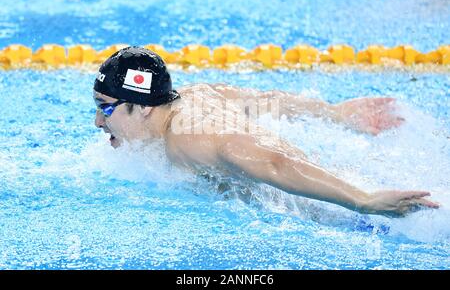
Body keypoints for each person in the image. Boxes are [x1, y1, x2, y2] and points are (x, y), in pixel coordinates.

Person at [93, 46, 439, 218]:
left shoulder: (188, 139)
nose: (97, 121)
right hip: (334, 174)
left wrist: (363, 200)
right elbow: (264, 101)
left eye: (105, 108)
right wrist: (336, 113)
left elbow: (274, 163)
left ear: (143, 107)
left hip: (327, 206)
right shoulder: (195, 95)